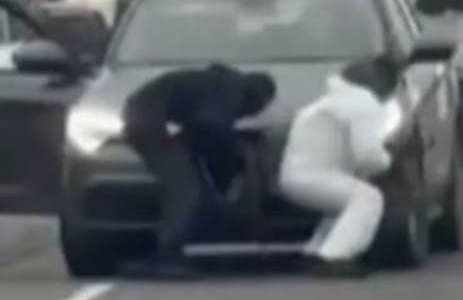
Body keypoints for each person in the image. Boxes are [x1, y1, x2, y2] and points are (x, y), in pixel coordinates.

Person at [121, 63, 277, 278]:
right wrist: (235, 157)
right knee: (185, 189)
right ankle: (165, 256)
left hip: (147, 114)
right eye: (261, 107)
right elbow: (212, 127)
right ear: (259, 96)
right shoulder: (230, 91)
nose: (255, 112)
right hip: (147, 119)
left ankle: (171, 251)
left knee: (191, 182)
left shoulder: (217, 84)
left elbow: (199, 127)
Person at [278, 55, 401, 278]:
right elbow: (368, 156)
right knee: (368, 198)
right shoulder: (363, 103)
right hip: (314, 177)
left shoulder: (327, 102)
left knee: (345, 203)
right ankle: (335, 257)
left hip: (295, 176)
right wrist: (388, 158)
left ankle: (315, 251)